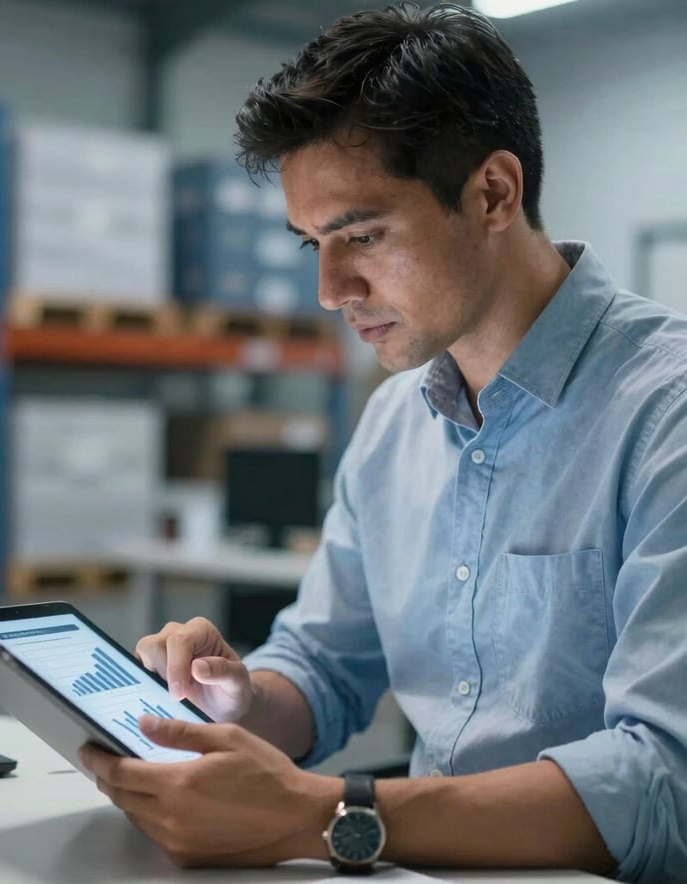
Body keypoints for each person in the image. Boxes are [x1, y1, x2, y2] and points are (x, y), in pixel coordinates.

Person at [79, 3, 687, 880]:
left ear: (493, 194)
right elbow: (325, 669)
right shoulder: (395, 424)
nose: (330, 289)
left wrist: (327, 815)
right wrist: (233, 702)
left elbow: (667, 778)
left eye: (363, 235)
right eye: (311, 245)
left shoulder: (664, 412)